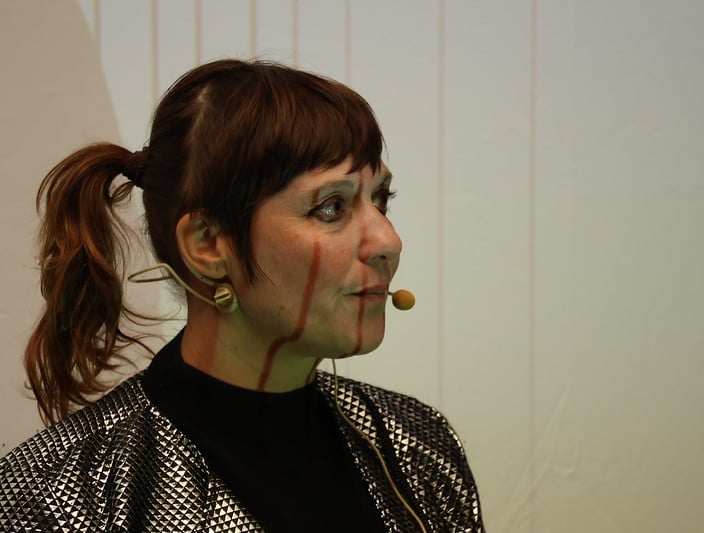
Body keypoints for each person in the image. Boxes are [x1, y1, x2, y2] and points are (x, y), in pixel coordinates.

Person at [0, 59, 483, 532]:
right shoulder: (58, 496)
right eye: (331, 207)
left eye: (380, 200)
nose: (388, 241)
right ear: (209, 245)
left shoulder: (419, 445)